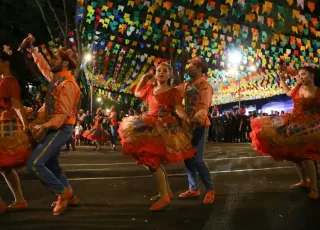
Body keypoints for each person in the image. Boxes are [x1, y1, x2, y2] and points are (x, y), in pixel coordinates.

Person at [119, 63, 196, 211]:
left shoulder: (173, 92)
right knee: (149, 161)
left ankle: (164, 197)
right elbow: (136, 93)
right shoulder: (150, 89)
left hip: (163, 128)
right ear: (155, 74)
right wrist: (143, 78)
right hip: (147, 124)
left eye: (164, 71)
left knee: (152, 162)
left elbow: (179, 109)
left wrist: (187, 119)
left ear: (169, 75)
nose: (161, 72)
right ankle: (166, 192)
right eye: (158, 70)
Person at [20, 34, 81, 215]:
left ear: (64, 64)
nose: (51, 61)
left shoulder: (68, 83)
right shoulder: (57, 78)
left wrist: (44, 126)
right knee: (53, 166)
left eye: (55, 58)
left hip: (61, 128)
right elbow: (44, 67)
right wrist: (32, 49)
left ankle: (63, 192)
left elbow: (63, 115)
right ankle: (71, 196)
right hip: (54, 126)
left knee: (34, 164)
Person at [250, 65, 320, 199]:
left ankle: (315, 188)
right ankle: (304, 181)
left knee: (307, 155)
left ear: (312, 76)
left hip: (311, 125)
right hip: (294, 122)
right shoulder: (298, 87)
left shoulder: (318, 92)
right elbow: (288, 93)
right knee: (294, 154)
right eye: (299, 75)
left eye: (303, 74)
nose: (300, 77)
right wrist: (281, 79)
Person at [176, 56, 216, 204]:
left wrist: (197, 117)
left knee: (197, 160)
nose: (187, 66)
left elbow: (204, 107)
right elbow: (173, 95)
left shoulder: (205, 86)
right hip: (187, 126)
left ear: (199, 68)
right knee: (187, 158)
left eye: (190, 64)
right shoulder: (186, 85)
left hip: (200, 126)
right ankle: (193, 188)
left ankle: (210, 189)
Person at [0, 46, 32, 214]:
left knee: (4, 165)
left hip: (7, 126)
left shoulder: (8, 81)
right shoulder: (5, 80)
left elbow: (17, 104)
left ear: (5, 63)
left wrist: (25, 125)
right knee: (5, 167)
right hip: (6, 123)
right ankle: (19, 200)